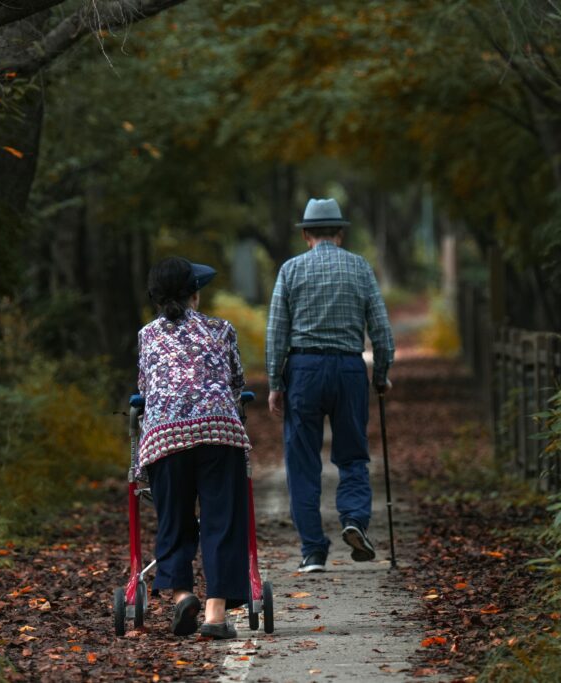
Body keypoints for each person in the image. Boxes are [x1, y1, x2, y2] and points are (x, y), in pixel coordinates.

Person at [265, 197, 395, 573]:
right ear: (340, 233)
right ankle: (354, 517)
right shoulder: (360, 268)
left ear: (306, 234)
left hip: (303, 368)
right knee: (352, 453)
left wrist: (276, 382)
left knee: (302, 461)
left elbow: (277, 332)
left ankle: (312, 552)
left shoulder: (290, 270)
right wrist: (382, 373)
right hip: (349, 369)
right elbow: (382, 331)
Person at [136, 256, 252, 640]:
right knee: (222, 518)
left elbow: (147, 389)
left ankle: (183, 593)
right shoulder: (222, 329)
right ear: (195, 295)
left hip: (165, 437)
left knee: (174, 518)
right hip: (218, 432)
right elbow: (236, 383)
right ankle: (216, 614)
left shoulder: (147, 335)